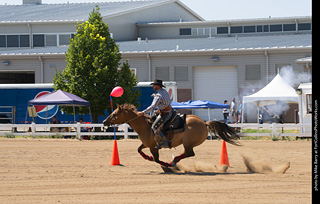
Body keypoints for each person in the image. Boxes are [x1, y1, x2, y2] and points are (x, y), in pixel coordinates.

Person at [137, 79, 172, 149]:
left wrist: (143, 112)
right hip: (170, 110)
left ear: (157, 86)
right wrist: (154, 95)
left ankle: (163, 143)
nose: (153, 87)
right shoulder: (164, 92)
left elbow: (153, 107)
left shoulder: (158, 95)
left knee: (154, 127)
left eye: (154, 85)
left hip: (165, 113)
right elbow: (163, 99)